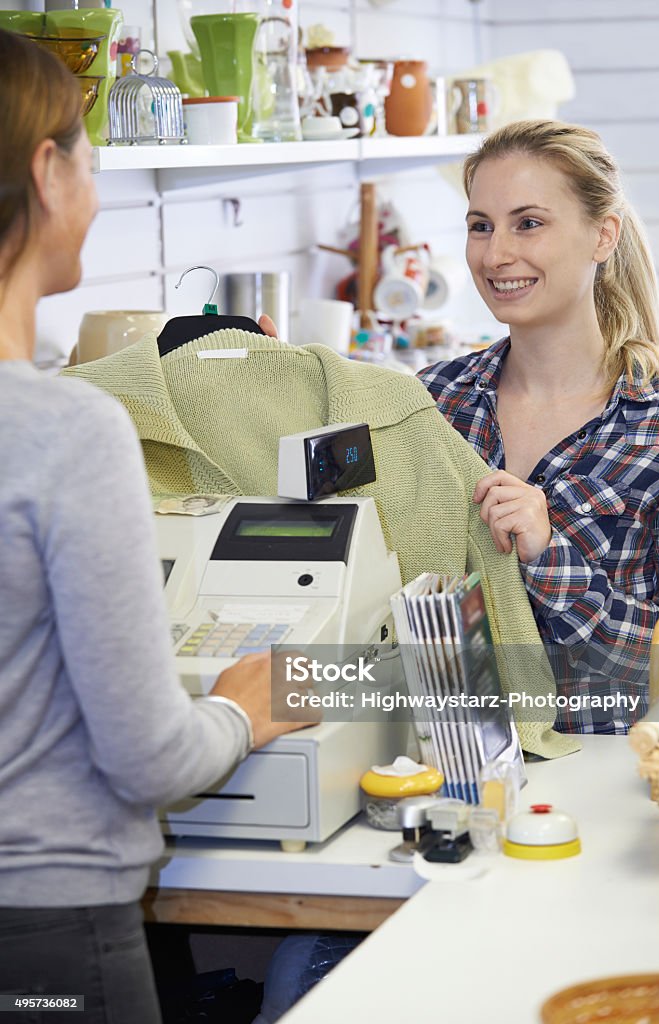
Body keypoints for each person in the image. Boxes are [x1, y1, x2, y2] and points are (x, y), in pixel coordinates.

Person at [0, 29, 315, 1024]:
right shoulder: (67, 429)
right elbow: (150, 758)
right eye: (89, 154)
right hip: (47, 928)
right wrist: (243, 707)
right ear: (49, 173)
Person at [418, 119, 659, 734]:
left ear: (602, 235)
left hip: (611, 793)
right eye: (480, 225)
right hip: (452, 773)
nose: (495, 254)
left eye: (528, 223)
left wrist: (548, 556)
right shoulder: (433, 402)